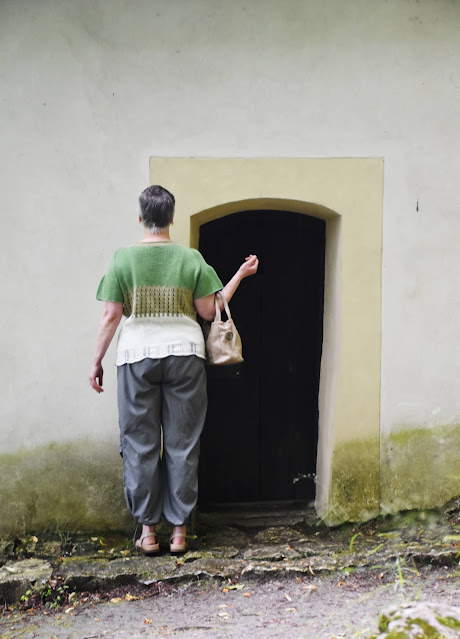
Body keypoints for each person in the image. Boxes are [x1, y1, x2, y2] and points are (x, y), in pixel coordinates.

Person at [89, 185, 258, 554]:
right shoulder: (190, 259)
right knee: (183, 443)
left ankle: (149, 533)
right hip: (186, 356)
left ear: (140, 217)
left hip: (136, 357)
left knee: (140, 443)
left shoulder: (122, 259)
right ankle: (179, 533)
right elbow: (210, 311)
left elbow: (111, 315)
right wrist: (240, 275)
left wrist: (97, 360)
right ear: (171, 218)